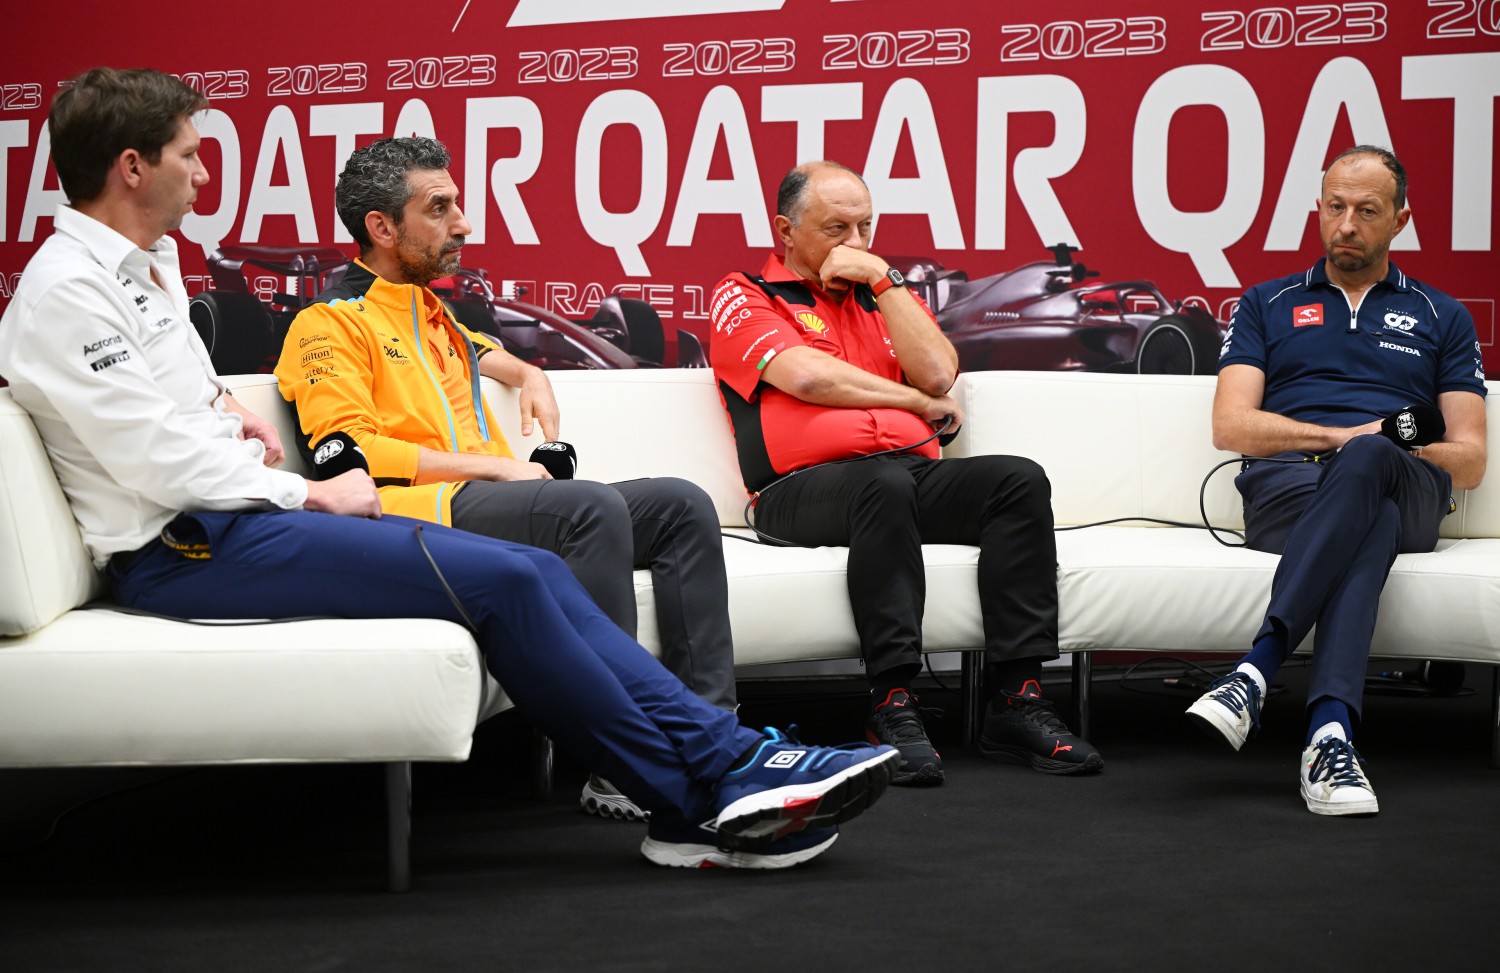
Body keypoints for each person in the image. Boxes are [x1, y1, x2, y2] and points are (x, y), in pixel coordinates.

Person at [0, 66, 898, 870]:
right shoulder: (67, 289)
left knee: (536, 569)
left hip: (237, 518)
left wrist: (222, 409)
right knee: (513, 578)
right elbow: (152, 460)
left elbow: (175, 408)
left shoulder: (146, 268)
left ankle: (723, 759)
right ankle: (701, 792)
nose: (202, 173)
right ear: (130, 166)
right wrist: (309, 487)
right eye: (188, 155)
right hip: (185, 544)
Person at [274, 136, 738, 824]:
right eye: (440, 208)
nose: (462, 223)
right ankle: (621, 758)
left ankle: (712, 732)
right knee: (586, 510)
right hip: (417, 516)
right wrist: (496, 464)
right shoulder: (326, 325)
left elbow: (486, 355)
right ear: (381, 227)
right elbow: (351, 453)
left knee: (679, 503)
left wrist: (530, 372)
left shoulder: (441, 320)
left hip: (493, 500)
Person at [708, 161, 1102, 785]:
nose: (856, 244)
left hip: (901, 475)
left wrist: (887, 283)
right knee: (882, 485)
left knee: (1015, 480)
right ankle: (891, 702)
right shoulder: (745, 293)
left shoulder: (881, 294)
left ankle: (1017, 700)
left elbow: (940, 373)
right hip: (796, 492)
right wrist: (916, 405)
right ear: (785, 229)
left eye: (866, 226)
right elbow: (809, 376)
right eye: (837, 228)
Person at [1188, 145, 1487, 815]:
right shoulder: (1267, 303)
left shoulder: (1443, 316)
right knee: (1368, 502)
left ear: (1401, 219)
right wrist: (1347, 438)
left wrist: (1377, 447)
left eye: (1367, 210)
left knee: (1375, 464)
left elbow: (1467, 457)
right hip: (1289, 488)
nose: (1346, 223)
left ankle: (1258, 668)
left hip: (1407, 480)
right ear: (1318, 211)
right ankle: (1329, 734)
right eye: (1334, 207)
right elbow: (1231, 426)